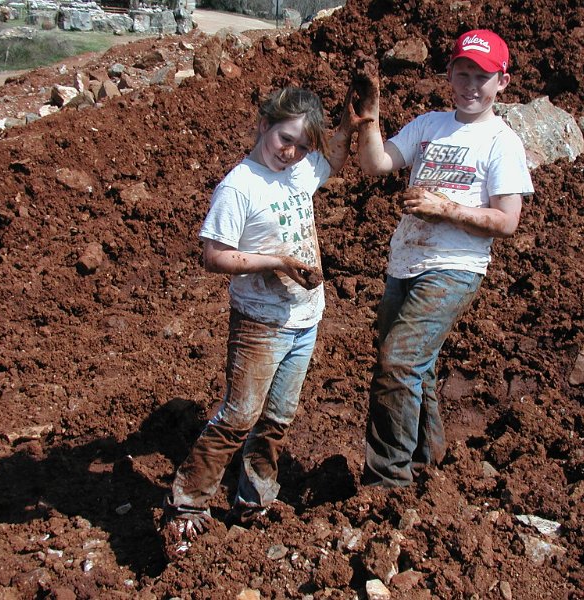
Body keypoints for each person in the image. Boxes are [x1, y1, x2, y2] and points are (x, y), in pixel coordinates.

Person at [160, 85, 365, 559]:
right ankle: (188, 503)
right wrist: (272, 262)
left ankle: (254, 499)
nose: (291, 153)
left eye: (301, 147)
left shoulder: (298, 172)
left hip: (305, 320)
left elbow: (330, 160)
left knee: (278, 417)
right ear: (264, 125)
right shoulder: (240, 186)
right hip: (260, 323)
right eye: (285, 139)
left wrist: (347, 130)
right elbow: (214, 257)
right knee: (239, 416)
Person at [353, 30, 534, 487]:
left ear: (502, 82)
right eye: (463, 73)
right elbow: (376, 164)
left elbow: (508, 220)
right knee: (416, 366)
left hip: (455, 266)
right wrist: (369, 119)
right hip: (405, 262)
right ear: (449, 74)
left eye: (483, 76)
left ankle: (387, 480)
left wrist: (445, 209)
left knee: (398, 362)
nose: (471, 84)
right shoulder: (429, 124)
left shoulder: (500, 140)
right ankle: (427, 458)